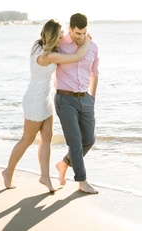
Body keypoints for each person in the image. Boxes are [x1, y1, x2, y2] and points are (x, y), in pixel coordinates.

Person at [2, 19, 91, 193]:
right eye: (58, 38)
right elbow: (78, 56)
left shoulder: (39, 45)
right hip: (35, 101)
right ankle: (8, 171)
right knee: (27, 139)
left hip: (45, 100)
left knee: (47, 139)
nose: (61, 40)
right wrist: (87, 38)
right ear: (50, 38)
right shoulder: (47, 56)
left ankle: (45, 177)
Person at [54, 13, 100, 194]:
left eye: (84, 33)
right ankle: (82, 182)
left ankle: (64, 163)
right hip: (65, 99)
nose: (81, 37)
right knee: (75, 142)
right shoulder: (60, 44)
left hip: (85, 99)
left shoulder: (93, 47)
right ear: (70, 29)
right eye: (77, 33)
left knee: (89, 139)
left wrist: (92, 98)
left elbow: (95, 73)